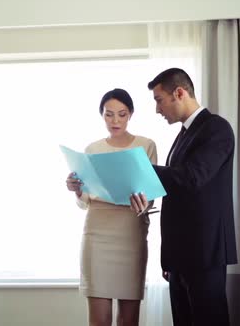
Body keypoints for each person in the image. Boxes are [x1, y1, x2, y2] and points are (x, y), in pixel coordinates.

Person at [130, 68, 238, 326]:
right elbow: (175, 192)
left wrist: (138, 168)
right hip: (180, 257)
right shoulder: (182, 136)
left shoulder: (217, 128)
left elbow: (191, 178)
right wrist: (168, 258)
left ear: (179, 93)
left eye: (159, 100)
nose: (157, 109)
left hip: (204, 252)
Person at [66, 88, 157, 326]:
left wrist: (143, 202)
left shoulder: (146, 146)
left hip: (131, 234)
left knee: (129, 319)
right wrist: (76, 188)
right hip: (97, 234)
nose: (115, 121)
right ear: (101, 115)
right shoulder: (92, 149)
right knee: (99, 320)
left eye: (122, 114)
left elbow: (151, 198)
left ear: (131, 115)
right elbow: (84, 200)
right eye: (109, 114)